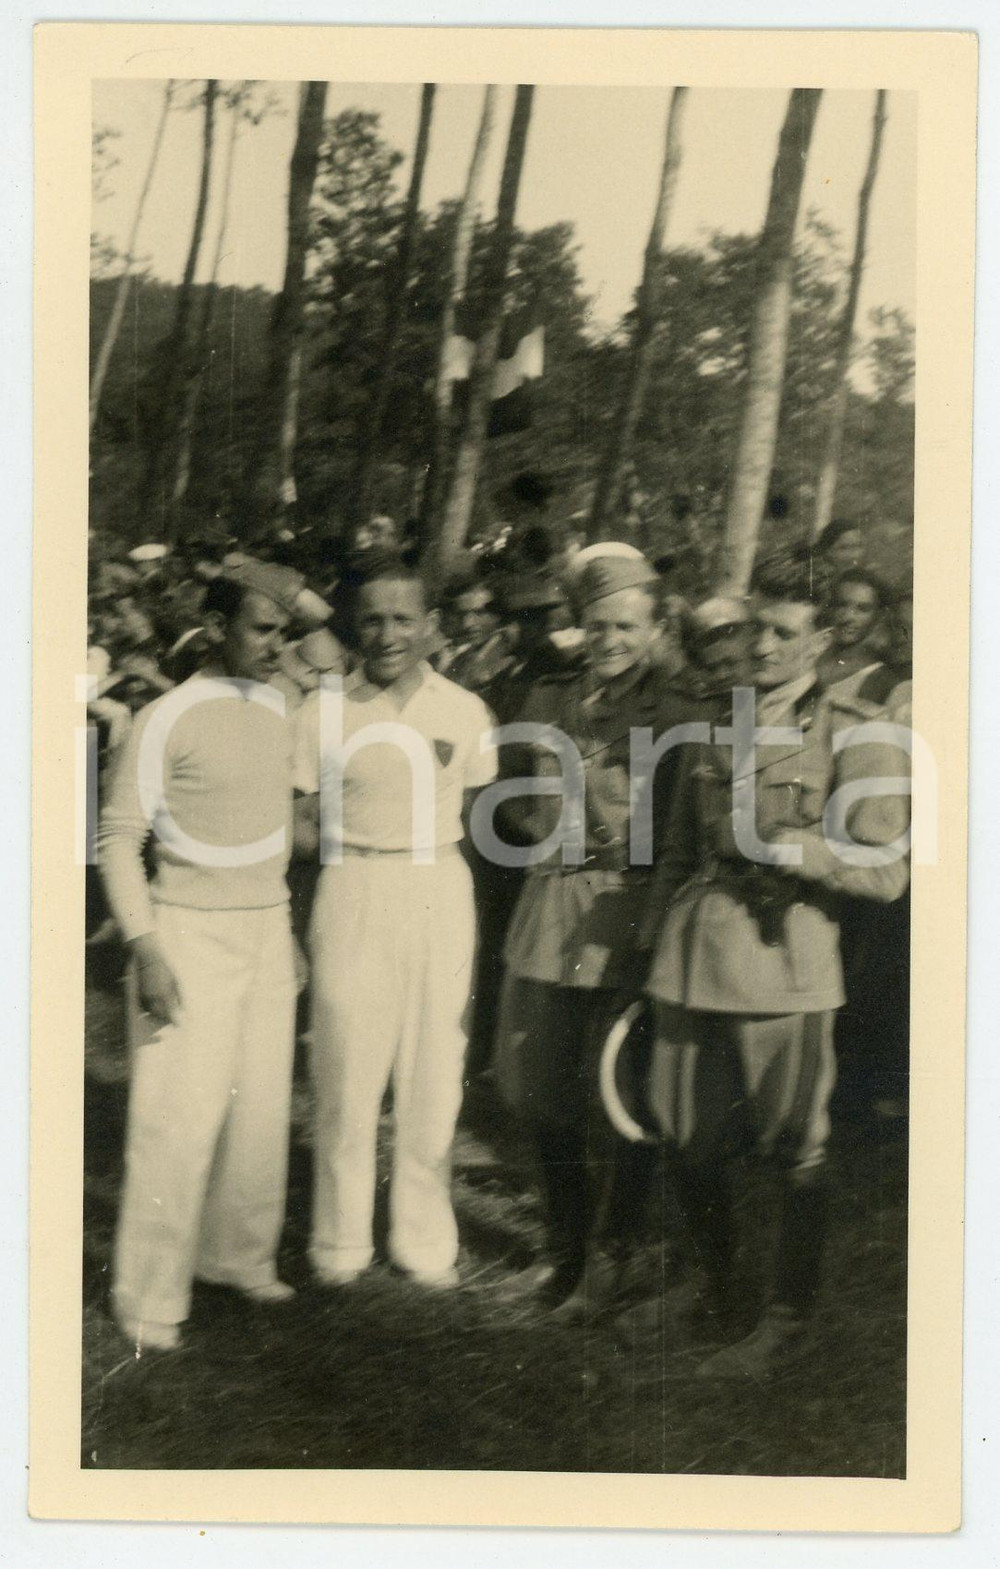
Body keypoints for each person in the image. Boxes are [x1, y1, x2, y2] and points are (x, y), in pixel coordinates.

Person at [632, 556, 911, 1377]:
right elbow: (682, 844)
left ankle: (784, 1319)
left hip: (786, 963)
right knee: (686, 1134)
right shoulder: (720, 720)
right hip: (693, 958)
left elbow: (887, 868)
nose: (760, 646)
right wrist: (653, 935)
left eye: (783, 633)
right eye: (755, 627)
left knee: (798, 1148)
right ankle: (718, 1288)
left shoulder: (858, 729)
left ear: (822, 642)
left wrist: (788, 848)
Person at [494, 552, 706, 1319]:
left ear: (655, 629)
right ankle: (566, 1247)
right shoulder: (548, 695)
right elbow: (505, 788)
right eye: (596, 624)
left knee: (618, 1095)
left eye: (625, 626)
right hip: (547, 910)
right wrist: (535, 833)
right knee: (538, 1091)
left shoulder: (680, 711)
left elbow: (688, 822)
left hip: (621, 913)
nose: (608, 639)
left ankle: (612, 1258)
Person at [98, 560, 299, 1354]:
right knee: (176, 1117)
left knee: (258, 1108)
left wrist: (281, 928)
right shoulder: (166, 715)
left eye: (282, 630)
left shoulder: (284, 706)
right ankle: (147, 1295)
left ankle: (238, 1255)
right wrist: (145, 944)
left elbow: (269, 835)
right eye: (261, 628)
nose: (278, 644)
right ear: (216, 628)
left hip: (265, 927)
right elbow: (118, 837)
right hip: (184, 929)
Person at [292, 556, 498, 1289]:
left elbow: (474, 819)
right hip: (353, 885)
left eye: (403, 618)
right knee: (346, 1066)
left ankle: (423, 1240)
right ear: (354, 623)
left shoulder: (464, 709)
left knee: (434, 1069)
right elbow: (299, 818)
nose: (387, 633)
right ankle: (339, 1240)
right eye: (373, 618)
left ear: (431, 625)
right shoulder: (322, 710)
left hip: (438, 885)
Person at [818, 567, 891, 688]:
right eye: (841, 605)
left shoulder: (880, 681)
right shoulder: (808, 661)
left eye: (863, 609)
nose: (847, 617)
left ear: (880, 616)